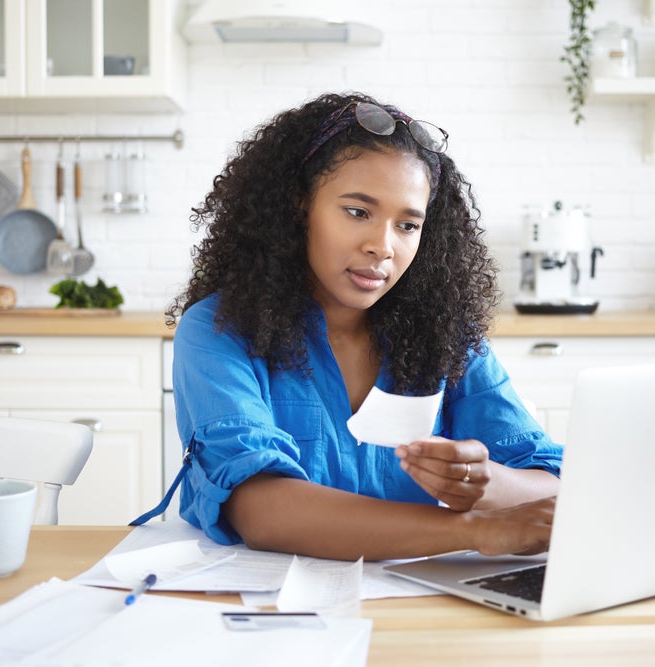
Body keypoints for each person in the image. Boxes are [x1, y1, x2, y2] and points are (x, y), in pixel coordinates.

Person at [159, 91, 562, 561]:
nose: (383, 246)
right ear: (298, 206)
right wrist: (475, 529)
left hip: (415, 604)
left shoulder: (447, 336)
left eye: (407, 226)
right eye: (357, 212)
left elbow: (551, 487)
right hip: (266, 609)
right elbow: (262, 509)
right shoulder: (218, 328)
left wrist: (485, 484)